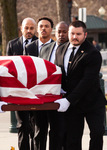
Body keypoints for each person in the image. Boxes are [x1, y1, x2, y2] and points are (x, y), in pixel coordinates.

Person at [54, 20, 107, 150]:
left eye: (78, 34)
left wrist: (68, 100)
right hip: (72, 104)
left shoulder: (93, 53)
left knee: (97, 133)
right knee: (72, 137)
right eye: (72, 33)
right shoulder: (61, 49)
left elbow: (87, 81)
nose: (74, 37)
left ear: (85, 34)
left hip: (92, 101)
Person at [6, 17, 38, 150]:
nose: (29, 31)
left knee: (35, 126)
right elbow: (7, 68)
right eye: (26, 28)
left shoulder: (40, 44)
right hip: (18, 92)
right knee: (22, 125)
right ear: (21, 28)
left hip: (36, 92)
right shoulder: (12, 45)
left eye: (31, 28)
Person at [39, 21, 69, 150]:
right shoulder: (46, 49)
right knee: (50, 131)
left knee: (63, 131)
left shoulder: (71, 49)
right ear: (55, 33)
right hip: (47, 96)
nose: (61, 34)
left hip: (65, 97)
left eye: (64, 32)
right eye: (59, 32)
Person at [25, 17, 54, 150]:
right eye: (41, 26)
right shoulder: (29, 47)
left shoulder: (57, 47)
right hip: (35, 96)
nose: (43, 28)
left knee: (55, 131)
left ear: (51, 29)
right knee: (38, 131)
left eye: (46, 26)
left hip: (53, 95)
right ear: (37, 29)